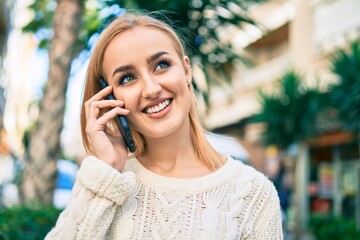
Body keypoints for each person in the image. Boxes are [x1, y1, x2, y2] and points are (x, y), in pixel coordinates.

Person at [46, 11, 283, 239]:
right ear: (109, 99)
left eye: (161, 65)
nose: (151, 89)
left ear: (187, 70)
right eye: (127, 78)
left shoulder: (253, 194)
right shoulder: (106, 184)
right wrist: (108, 169)